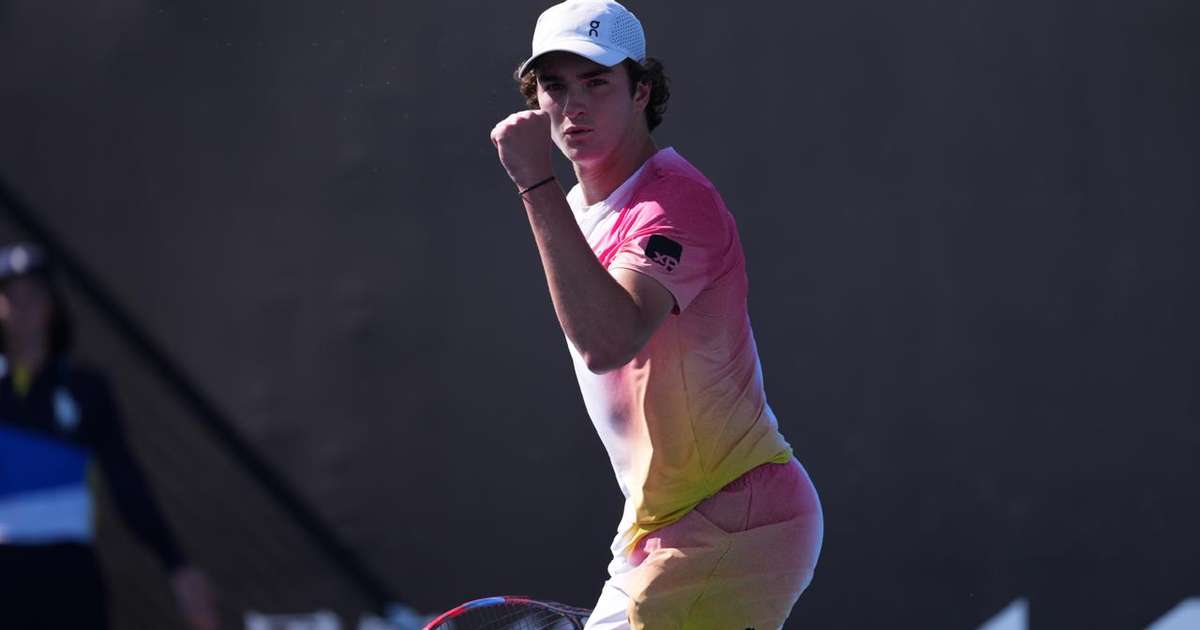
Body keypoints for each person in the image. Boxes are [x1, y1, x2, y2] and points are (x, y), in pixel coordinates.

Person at [489, 1, 824, 628]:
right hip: (666, 522)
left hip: (734, 519)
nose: (574, 107)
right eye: (554, 87)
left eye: (597, 83)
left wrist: (533, 183)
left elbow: (607, 341)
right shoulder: (581, 210)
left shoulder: (674, 203)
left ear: (641, 90)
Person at [0, 243, 219, 630]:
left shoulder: (87, 390)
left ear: (51, 305)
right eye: (9, 297)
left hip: (69, 579)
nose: (22, 308)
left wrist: (177, 564)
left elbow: (126, 481)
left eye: (32, 295)